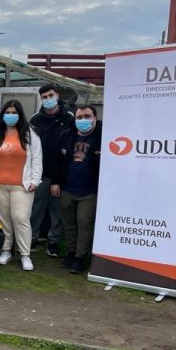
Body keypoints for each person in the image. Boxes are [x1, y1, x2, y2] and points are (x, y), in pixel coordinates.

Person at [0, 99, 42, 271]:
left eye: (14, 113)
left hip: (22, 184)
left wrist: (35, 180)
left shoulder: (29, 133)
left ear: (20, 115)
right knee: (3, 219)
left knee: (20, 218)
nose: (10, 116)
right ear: (2, 115)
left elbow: (37, 158)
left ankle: (25, 254)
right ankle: (6, 250)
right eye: (7, 112)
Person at [51, 104, 102, 274]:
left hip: (89, 190)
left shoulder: (103, 136)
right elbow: (58, 160)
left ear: (95, 117)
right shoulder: (67, 135)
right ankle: (71, 252)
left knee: (84, 223)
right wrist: (55, 182)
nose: (83, 120)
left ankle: (80, 257)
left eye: (87, 116)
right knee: (69, 224)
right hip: (67, 188)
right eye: (79, 117)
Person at [29, 84, 74, 257]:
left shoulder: (69, 118)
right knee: (36, 208)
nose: (48, 99)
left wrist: (58, 179)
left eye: (50, 95)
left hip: (61, 174)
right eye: (44, 97)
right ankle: (32, 238)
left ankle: (53, 241)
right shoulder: (35, 119)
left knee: (57, 210)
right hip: (40, 173)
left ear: (57, 95)